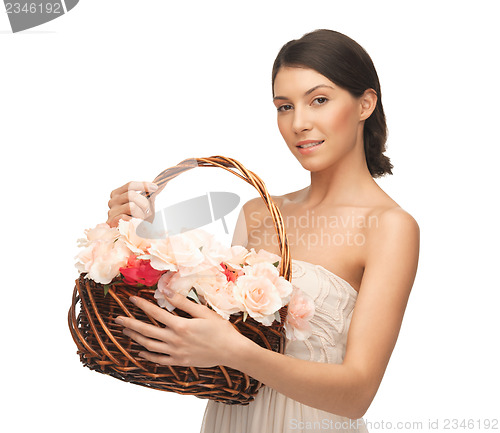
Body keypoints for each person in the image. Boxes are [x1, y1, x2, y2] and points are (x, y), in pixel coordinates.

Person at [107, 29, 420, 433]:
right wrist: (132, 239)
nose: (299, 122)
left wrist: (238, 352)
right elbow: (218, 362)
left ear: (365, 104)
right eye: (284, 106)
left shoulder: (389, 227)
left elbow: (357, 394)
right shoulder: (258, 213)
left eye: (319, 100)